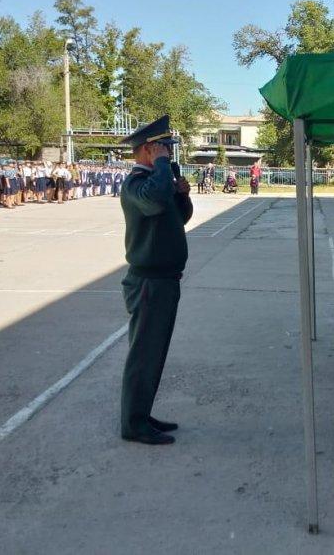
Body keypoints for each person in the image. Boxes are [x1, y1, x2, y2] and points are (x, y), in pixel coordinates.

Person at [118, 115, 193, 446]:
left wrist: (182, 195)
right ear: (148, 150)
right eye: (163, 148)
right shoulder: (136, 184)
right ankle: (134, 424)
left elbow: (179, 217)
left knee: (154, 354)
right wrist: (163, 168)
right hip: (149, 283)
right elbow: (155, 201)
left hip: (164, 280)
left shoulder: (157, 185)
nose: (168, 154)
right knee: (144, 356)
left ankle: (141, 413)